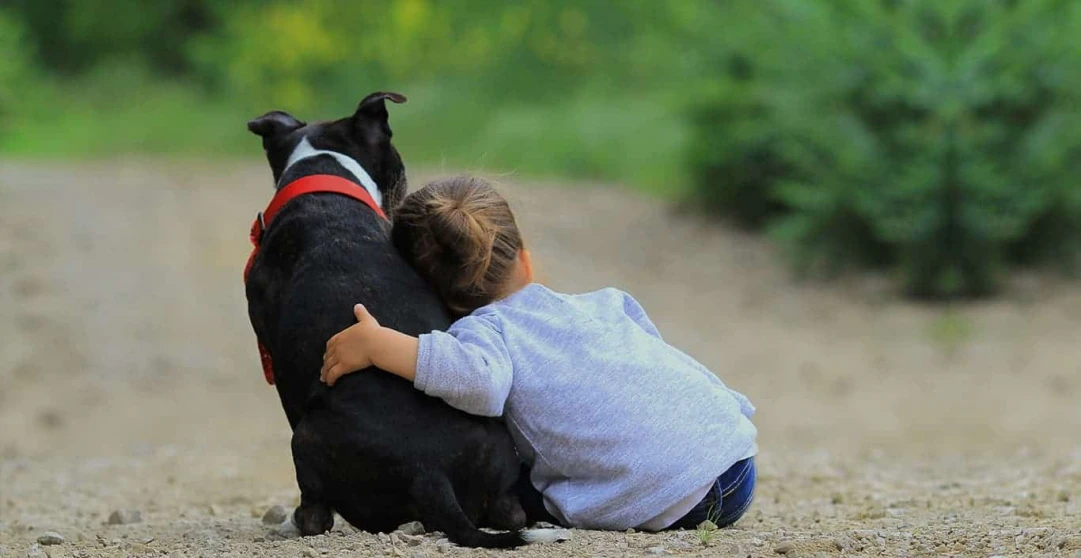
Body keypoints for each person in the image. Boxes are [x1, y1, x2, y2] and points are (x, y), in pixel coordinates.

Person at [320, 176, 758, 531]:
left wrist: (382, 345)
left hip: (676, 500)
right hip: (734, 458)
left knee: (510, 486)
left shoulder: (486, 331)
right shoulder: (606, 302)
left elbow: (479, 383)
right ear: (524, 260)